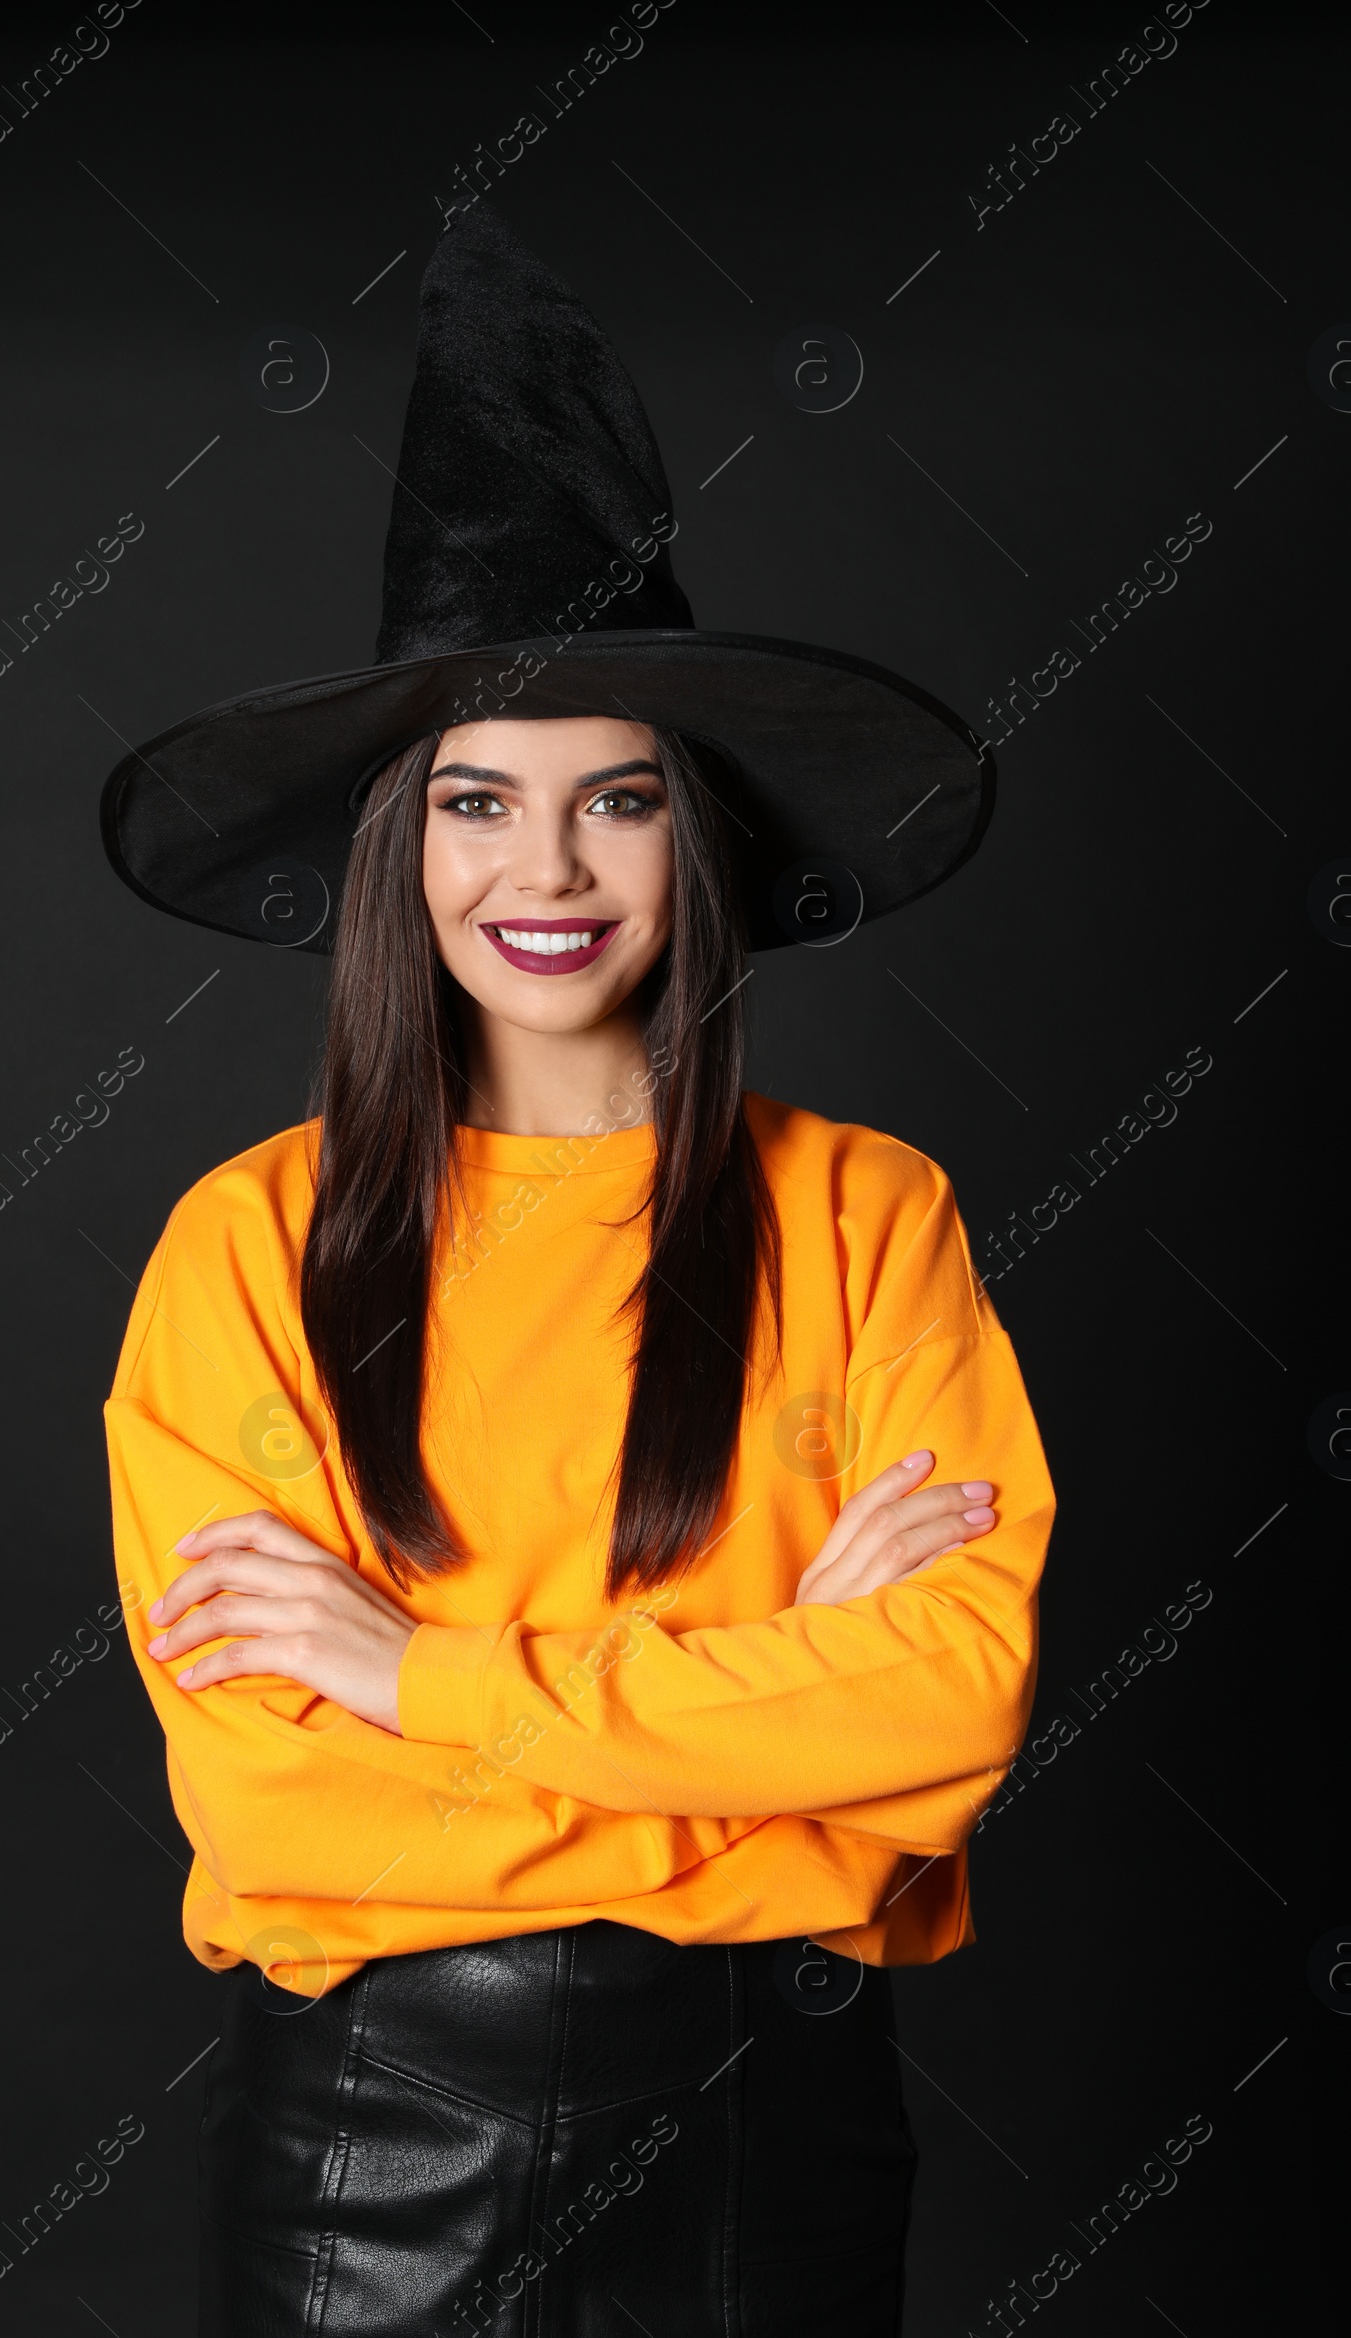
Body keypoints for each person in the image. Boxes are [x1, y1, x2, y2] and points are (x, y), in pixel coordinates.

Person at [101, 209, 1053, 2337]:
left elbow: (950, 1698)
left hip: (774, 2135)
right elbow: (265, 1778)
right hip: (371, 2148)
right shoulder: (244, 1242)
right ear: (396, 851)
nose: (541, 871)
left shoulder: (866, 1211)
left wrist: (416, 1667)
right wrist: (774, 1749)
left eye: (614, 798)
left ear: (692, 837)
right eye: (474, 800)